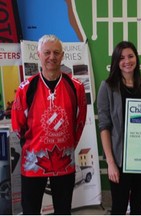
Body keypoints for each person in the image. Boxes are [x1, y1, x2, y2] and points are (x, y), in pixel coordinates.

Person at [11, 34, 87, 215]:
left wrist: (67, 145)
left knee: (63, 210)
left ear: (62, 56)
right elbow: (18, 124)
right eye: (47, 52)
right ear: (38, 54)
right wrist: (35, 145)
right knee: (30, 210)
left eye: (56, 53)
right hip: (33, 161)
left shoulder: (76, 87)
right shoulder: (26, 88)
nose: (51, 57)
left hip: (64, 161)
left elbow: (80, 122)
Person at [97, 41, 141, 215]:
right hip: (120, 160)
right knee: (119, 208)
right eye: (121, 58)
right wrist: (111, 163)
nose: (127, 61)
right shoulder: (107, 87)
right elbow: (104, 126)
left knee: (138, 208)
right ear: (116, 62)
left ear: (136, 58)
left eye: (130, 56)